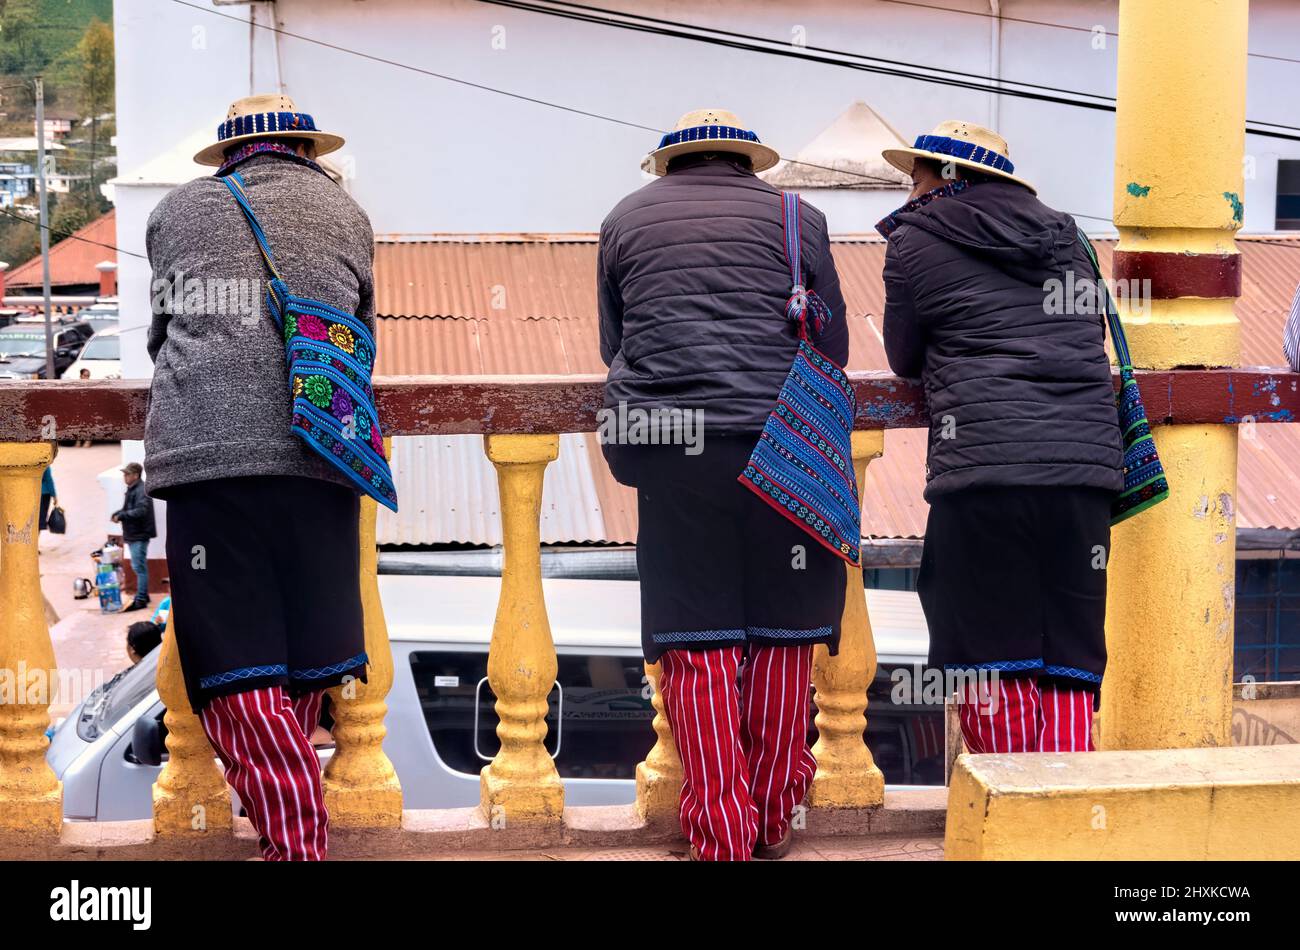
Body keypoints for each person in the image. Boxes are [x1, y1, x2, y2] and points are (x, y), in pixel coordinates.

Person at [597, 109, 850, 861]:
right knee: (782, 633)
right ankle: (774, 817)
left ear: (668, 164)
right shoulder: (800, 216)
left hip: (674, 446)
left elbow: (615, 342)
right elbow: (830, 341)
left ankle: (721, 835)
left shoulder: (623, 219)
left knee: (696, 642)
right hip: (785, 445)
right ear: (747, 162)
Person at [144, 93, 387, 861]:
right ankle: (290, 818)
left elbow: (162, 334)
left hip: (208, 455)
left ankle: (293, 835)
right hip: (322, 448)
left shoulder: (179, 211)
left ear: (227, 156)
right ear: (306, 150)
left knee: (232, 653)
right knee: (309, 643)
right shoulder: (348, 214)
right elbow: (362, 332)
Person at [878, 121, 1122, 753]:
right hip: (1083, 473)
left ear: (940, 177)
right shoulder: (1067, 235)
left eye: (915, 176)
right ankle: (1064, 824)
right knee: (1069, 656)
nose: (910, 190)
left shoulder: (913, 240)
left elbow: (904, 358)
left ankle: (1012, 816)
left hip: (984, 472)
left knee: (990, 655)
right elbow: (1085, 336)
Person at [111, 462, 156, 612]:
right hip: (134, 533)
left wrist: (122, 515)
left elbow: (141, 510)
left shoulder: (141, 490)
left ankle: (141, 599)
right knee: (139, 566)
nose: (125, 476)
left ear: (135, 475)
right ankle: (144, 595)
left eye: (127, 474)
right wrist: (118, 513)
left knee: (138, 567)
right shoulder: (133, 489)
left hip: (139, 534)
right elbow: (129, 509)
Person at [38, 464, 56, 531]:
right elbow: (49, 479)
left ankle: (35, 539)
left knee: (36, 520)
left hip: (34, 493)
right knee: (40, 521)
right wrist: (54, 495)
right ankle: (35, 540)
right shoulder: (44, 464)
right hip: (44, 494)